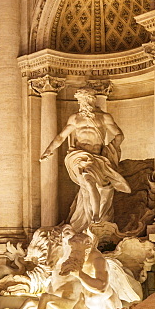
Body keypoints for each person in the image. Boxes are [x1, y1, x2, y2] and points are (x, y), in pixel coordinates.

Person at [40, 87, 130, 230]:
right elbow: (61, 137)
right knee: (88, 180)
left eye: (85, 99)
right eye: (81, 100)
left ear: (92, 99)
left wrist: (111, 150)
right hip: (79, 156)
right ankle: (95, 216)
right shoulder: (75, 118)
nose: (83, 103)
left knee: (94, 186)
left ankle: (93, 218)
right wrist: (49, 150)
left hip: (97, 158)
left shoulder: (105, 117)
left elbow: (119, 135)